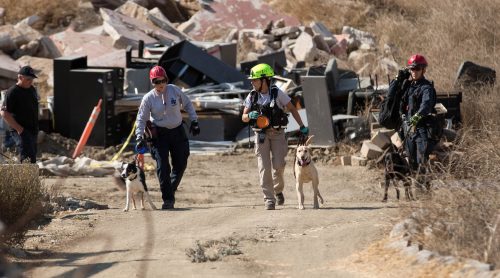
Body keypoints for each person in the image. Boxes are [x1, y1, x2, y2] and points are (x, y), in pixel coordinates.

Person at [242, 63, 309, 210]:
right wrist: (248, 115)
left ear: (265, 80)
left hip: (278, 134)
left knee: (279, 166)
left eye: (255, 80)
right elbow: (243, 117)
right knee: (264, 168)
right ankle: (269, 199)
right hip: (261, 136)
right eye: (252, 80)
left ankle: (278, 190)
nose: (252, 82)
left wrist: (302, 126)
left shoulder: (277, 93)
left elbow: (292, 108)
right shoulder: (252, 96)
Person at [135, 65, 200, 210]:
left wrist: (194, 121)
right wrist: (139, 136)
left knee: (181, 163)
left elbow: (188, 104)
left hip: (177, 131)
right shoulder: (148, 98)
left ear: (166, 79)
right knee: (163, 166)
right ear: (152, 83)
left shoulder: (174, 90)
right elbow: (141, 119)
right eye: (156, 81)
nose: (160, 84)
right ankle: (168, 199)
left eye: (162, 80)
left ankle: (170, 188)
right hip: (159, 135)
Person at [394, 54, 439, 190]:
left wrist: (416, 117)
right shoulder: (408, 86)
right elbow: (399, 102)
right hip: (409, 131)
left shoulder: (426, 88)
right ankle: (418, 191)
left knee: (421, 162)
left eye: (417, 69)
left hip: (421, 131)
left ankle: (425, 193)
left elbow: (425, 106)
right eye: (412, 69)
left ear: (423, 70)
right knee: (412, 162)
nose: (414, 72)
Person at [0, 66, 39, 163]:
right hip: (21, 131)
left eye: (32, 79)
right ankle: (25, 178)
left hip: (32, 130)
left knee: (32, 157)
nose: (31, 81)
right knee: (27, 158)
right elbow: (4, 113)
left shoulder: (32, 89)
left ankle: (31, 178)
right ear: (20, 77)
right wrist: (19, 129)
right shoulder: (12, 92)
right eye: (28, 79)